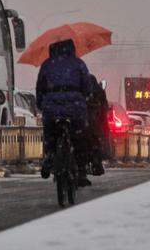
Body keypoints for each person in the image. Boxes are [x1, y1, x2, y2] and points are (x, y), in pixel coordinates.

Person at [36, 39, 91, 186]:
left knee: (50, 134)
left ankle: (49, 157)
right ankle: (81, 169)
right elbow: (87, 86)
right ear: (72, 48)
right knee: (79, 138)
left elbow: (40, 88)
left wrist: (41, 104)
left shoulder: (47, 65)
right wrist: (84, 97)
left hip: (52, 107)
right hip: (75, 107)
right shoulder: (78, 63)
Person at [85, 75, 109, 175]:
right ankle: (96, 163)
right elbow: (104, 106)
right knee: (96, 138)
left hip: (76, 121)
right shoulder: (92, 83)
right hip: (89, 123)